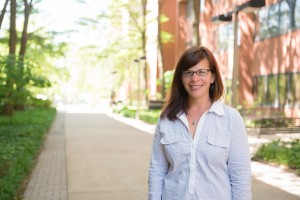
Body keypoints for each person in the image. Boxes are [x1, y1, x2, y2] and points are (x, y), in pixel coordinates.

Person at [148, 46, 252, 200]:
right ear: (181, 78)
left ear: (213, 77)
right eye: (188, 72)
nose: (194, 78)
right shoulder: (167, 118)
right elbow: (157, 170)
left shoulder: (231, 118)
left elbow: (240, 176)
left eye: (202, 72)